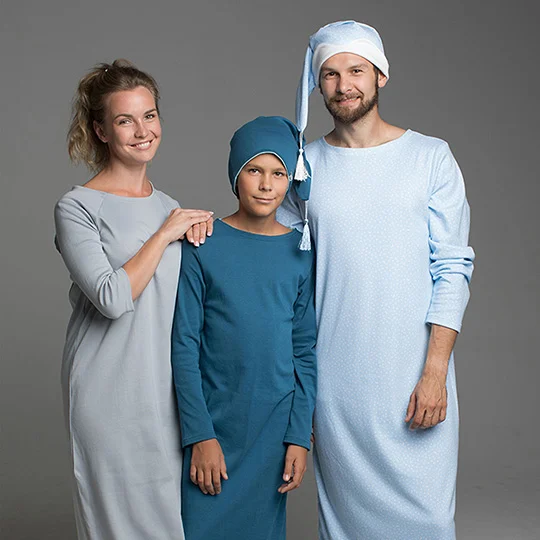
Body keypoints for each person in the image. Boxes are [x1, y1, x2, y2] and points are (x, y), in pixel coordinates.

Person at [277, 21, 475, 539]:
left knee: (428, 522)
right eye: (330, 74)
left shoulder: (430, 157)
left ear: (380, 75)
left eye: (356, 71)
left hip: (415, 376)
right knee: (347, 527)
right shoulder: (304, 168)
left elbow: (452, 269)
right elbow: (285, 273)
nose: (344, 85)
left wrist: (435, 373)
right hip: (337, 386)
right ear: (317, 85)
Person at [54, 59, 213, 540]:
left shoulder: (169, 205)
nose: (142, 131)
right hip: (107, 390)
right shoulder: (77, 207)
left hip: (164, 392)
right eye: (125, 120)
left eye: (150, 115)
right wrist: (166, 234)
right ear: (101, 130)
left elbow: (185, 303)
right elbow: (111, 297)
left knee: (167, 523)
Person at [171, 116, 317, 540]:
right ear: (236, 174)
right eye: (254, 170)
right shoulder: (202, 244)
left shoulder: (300, 252)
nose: (267, 185)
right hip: (215, 422)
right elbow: (184, 344)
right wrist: (199, 435)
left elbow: (304, 350)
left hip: (273, 428)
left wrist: (299, 436)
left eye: (279, 173)